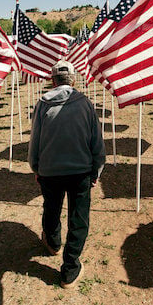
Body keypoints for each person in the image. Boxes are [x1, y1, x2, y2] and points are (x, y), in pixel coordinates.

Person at [28, 60, 105, 288]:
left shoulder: (42, 104)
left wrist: (36, 167)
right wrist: (96, 171)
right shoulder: (86, 104)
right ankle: (70, 268)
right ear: (73, 80)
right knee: (78, 218)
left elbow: (35, 141)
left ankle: (52, 243)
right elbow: (97, 142)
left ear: (53, 80)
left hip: (50, 171)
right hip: (80, 172)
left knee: (51, 208)